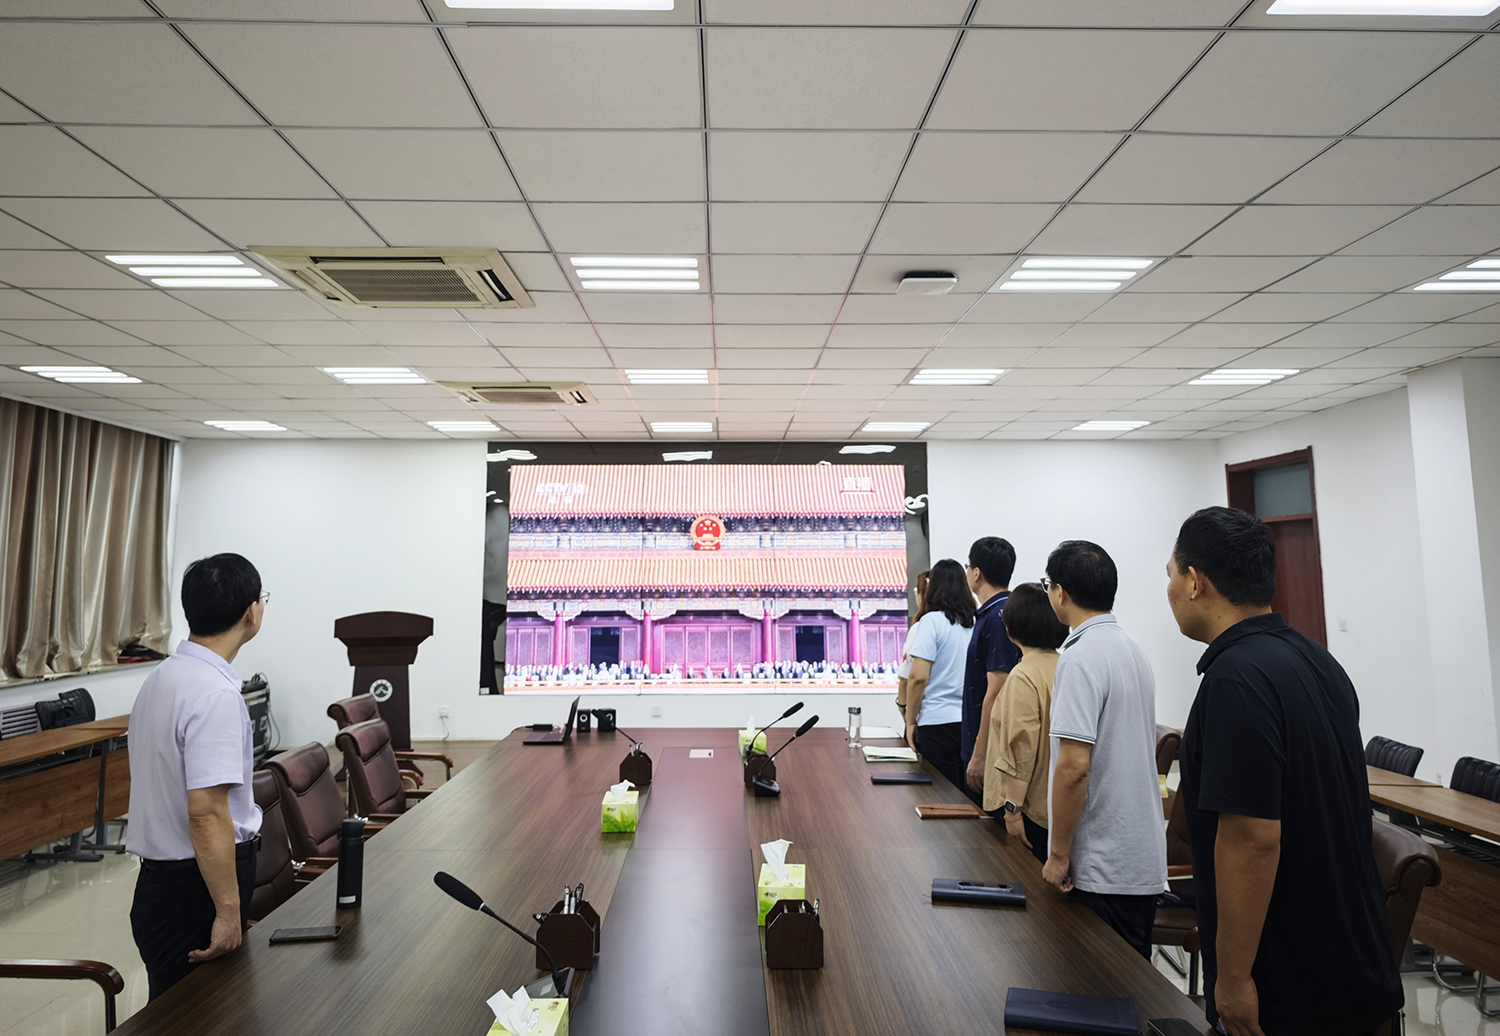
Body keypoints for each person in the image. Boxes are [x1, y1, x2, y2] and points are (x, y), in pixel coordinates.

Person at [1167, 507, 1401, 1036]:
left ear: (1195, 582)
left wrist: (1233, 979)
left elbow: (1252, 839)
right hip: (1353, 967)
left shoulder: (1235, 679)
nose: (1170, 591)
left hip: (1291, 984)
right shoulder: (1319, 660)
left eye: (1171, 575)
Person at [127, 553, 266, 1000]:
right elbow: (206, 813)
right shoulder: (215, 694)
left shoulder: (163, 678)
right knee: (200, 1015)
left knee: (179, 1010)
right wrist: (227, 910)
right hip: (197, 889)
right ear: (251, 612)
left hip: (164, 884)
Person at [1041, 540, 1166, 958]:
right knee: (1131, 983)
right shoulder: (1131, 650)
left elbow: (1074, 768)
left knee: (1095, 984)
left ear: (1061, 592)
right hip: (1137, 858)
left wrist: (1058, 855)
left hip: (1103, 864)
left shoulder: (1080, 658)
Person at [985, 582, 1069, 865]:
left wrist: (1013, 811)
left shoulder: (1023, 675)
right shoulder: (1066, 666)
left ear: (1014, 624)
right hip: (1056, 807)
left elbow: (1021, 748)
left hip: (1028, 809)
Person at [902, 559, 976, 792]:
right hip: (971, 722)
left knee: (940, 796)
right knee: (969, 795)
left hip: (936, 722)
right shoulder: (976, 621)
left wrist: (910, 721)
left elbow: (918, 678)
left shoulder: (931, 621)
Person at [961, 537, 1021, 802]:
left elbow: (996, 691)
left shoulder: (998, 617)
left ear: (976, 573)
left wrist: (980, 753)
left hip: (991, 749)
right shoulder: (995, 612)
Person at [895, 568, 930, 721]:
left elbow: (908, 678)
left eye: (917, 589)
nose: (915, 592)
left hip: (925, 714)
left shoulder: (919, 628)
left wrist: (904, 709)